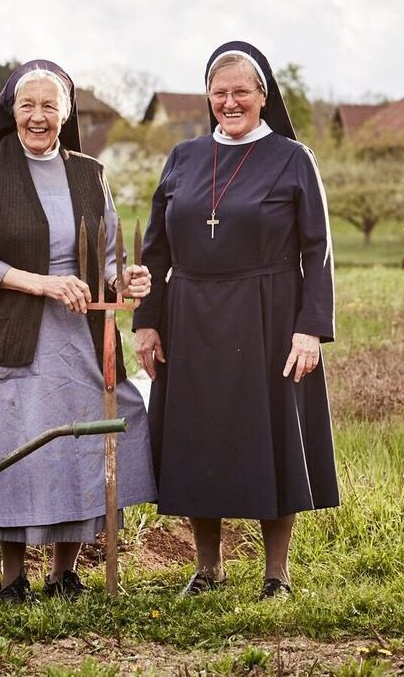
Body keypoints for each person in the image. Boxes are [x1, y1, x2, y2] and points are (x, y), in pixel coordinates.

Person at [132, 41, 337, 600]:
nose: (229, 101)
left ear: (262, 96)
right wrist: (147, 322)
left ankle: (276, 575)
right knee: (198, 439)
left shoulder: (294, 158)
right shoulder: (183, 157)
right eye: (219, 92)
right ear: (207, 97)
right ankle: (208, 567)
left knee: (271, 438)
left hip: (269, 317)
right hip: (190, 316)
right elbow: (155, 251)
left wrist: (310, 327)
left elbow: (317, 249)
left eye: (240, 91)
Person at [0, 59, 157, 603]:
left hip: (82, 334)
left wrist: (126, 279)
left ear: (66, 114)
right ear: (11, 111)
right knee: (18, 445)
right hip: (17, 332)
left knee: (83, 442)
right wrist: (45, 284)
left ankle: (65, 571)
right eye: (28, 106)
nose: (38, 116)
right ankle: (12, 578)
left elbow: (108, 255)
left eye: (50, 106)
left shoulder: (90, 173)